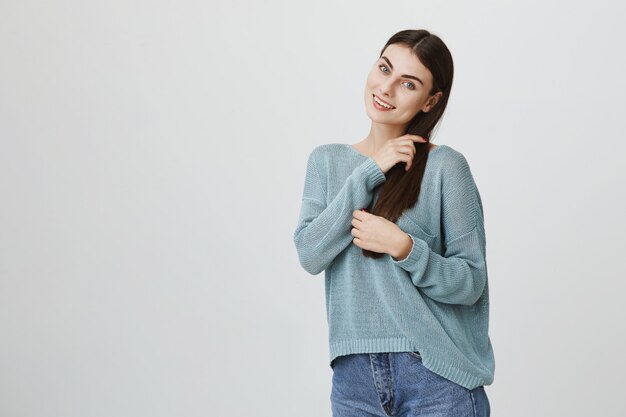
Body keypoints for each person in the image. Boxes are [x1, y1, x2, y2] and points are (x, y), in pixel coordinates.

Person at [293, 28, 494, 417]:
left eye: (408, 83)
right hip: (354, 382)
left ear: (430, 100)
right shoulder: (327, 162)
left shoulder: (445, 168)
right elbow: (310, 252)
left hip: (437, 377)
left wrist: (405, 248)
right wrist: (370, 172)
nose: (386, 88)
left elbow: (471, 282)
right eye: (384, 68)